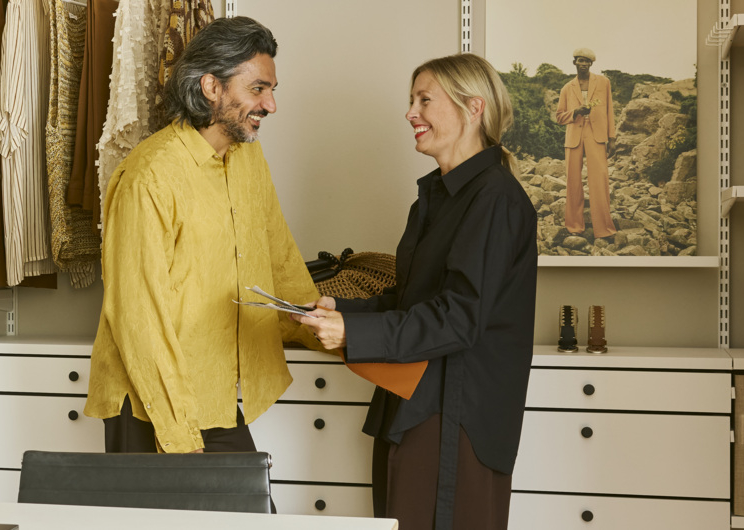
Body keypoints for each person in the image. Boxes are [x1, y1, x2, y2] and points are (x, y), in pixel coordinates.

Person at [291, 54, 538, 530]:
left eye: (425, 100)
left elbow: (458, 318)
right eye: (411, 101)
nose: (410, 113)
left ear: (473, 108)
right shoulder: (438, 199)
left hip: (454, 417)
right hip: (414, 406)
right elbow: (414, 301)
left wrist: (354, 333)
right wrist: (339, 309)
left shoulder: (495, 200)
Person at [85, 17, 327, 455]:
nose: (271, 105)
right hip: (150, 405)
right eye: (258, 89)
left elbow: (279, 257)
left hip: (212, 392)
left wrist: (322, 329)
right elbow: (138, 316)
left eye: (272, 90)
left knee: (252, 518)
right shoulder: (151, 176)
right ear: (212, 88)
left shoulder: (248, 159)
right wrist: (178, 434)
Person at [554, 47, 617, 237]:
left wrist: (612, 138)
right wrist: (576, 112)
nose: (583, 64)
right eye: (580, 60)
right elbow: (559, 117)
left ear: (591, 64)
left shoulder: (603, 82)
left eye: (587, 61)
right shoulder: (567, 88)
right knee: (573, 182)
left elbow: (610, 111)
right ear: (574, 62)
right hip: (574, 137)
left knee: (599, 180)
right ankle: (574, 226)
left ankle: (603, 229)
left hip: (597, 136)